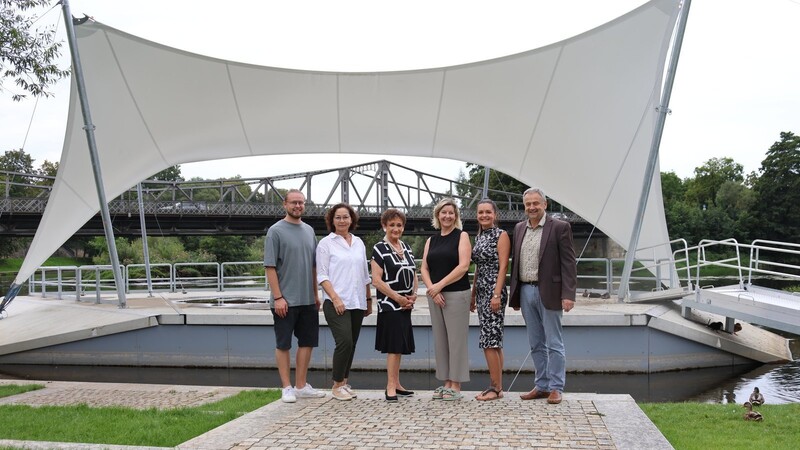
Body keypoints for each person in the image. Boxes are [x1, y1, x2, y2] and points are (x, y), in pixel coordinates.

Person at [509, 187, 577, 405]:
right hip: (526, 290)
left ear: (545, 205)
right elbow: (516, 263)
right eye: (528, 204)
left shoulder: (559, 227)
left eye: (536, 203)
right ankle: (542, 385)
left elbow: (568, 263)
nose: (531, 207)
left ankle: (556, 387)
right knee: (535, 342)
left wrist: (568, 294)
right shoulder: (519, 228)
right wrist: (516, 295)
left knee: (554, 343)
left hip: (550, 292)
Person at [264, 189, 326, 403]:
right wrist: (278, 297)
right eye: (294, 203)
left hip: (308, 299)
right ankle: (286, 387)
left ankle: (301, 385)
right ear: (285, 204)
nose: (298, 206)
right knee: (283, 344)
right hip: (285, 300)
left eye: (301, 203)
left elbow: (313, 266)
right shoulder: (275, 231)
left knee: (307, 342)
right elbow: (270, 267)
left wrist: (316, 294)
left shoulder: (309, 230)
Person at [316, 203, 372, 401]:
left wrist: (368, 299)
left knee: (352, 344)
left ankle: (344, 383)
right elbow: (322, 275)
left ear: (351, 220)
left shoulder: (358, 243)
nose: (342, 220)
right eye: (338, 217)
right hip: (336, 302)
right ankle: (336, 385)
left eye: (345, 217)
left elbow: (365, 274)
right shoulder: (325, 244)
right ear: (332, 220)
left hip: (357, 301)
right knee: (344, 342)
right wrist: (335, 298)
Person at [421, 198, 472, 401]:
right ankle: (445, 382)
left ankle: (456, 384)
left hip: (456, 294)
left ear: (456, 216)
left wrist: (438, 286)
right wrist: (433, 290)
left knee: (456, 341)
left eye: (451, 213)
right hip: (436, 296)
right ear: (437, 215)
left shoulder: (462, 236)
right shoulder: (430, 240)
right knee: (441, 340)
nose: (447, 216)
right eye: (443, 212)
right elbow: (424, 268)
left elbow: (463, 267)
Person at [371, 208, 418, 403]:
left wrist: (413, 295)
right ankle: (390, 386)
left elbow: (414, 273)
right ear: (384, 226)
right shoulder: (379, 248)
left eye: (399, 225)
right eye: (392, 225)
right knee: (393, 346)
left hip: (406, 304)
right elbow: (376, 280)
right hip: (390, 304)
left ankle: (397, 384)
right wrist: (398, 298)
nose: (396, 228)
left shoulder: (406, 247)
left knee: (399, 346)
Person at [470, 198, 511, 401]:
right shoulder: (479, 237)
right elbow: (477, 267)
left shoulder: (500, 235)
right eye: (480, 212)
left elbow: (503, 266)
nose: (484, 215)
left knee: (489, 341)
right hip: (482, 292)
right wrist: (473, 295)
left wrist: (496, 294)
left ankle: (495, 388)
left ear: (495, 215)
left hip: (494, 293)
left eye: (488, 212)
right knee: (493, 341)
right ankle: (498, 387)